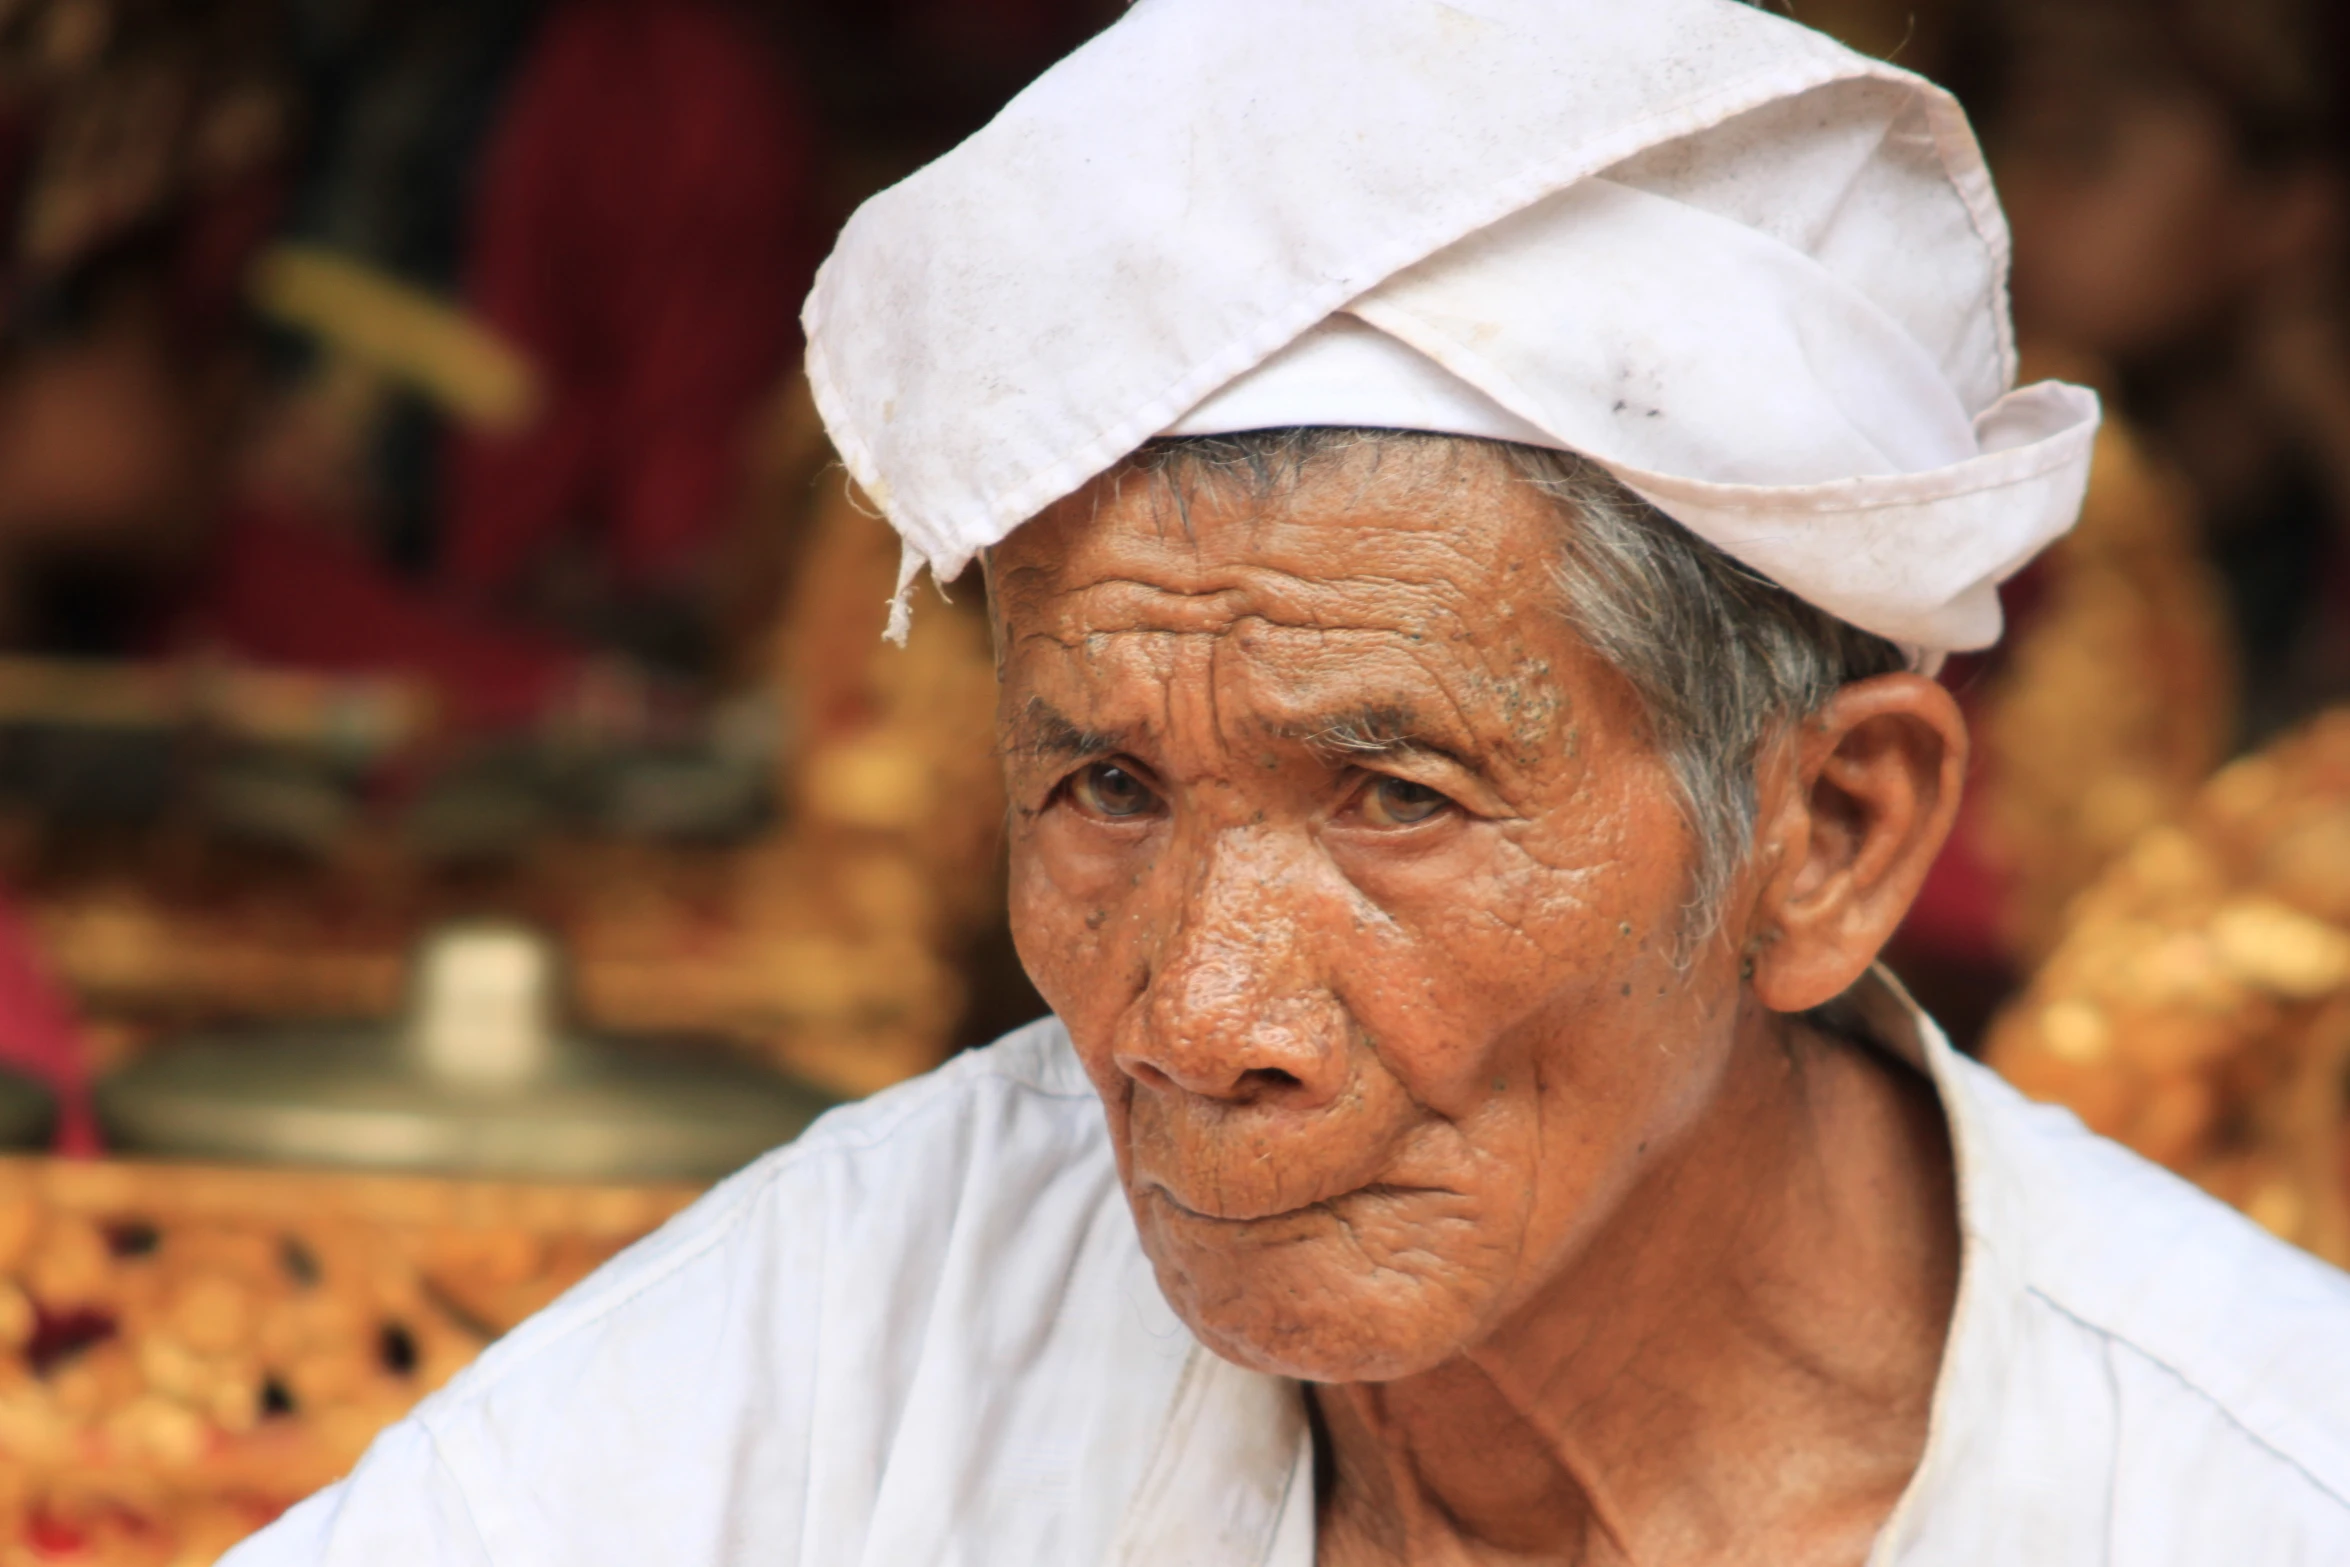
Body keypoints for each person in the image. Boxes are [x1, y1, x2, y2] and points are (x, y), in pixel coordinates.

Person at [225, 2, 2350, 1562]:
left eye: (1393, 799)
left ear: (1824, 837)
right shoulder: (878, 1308)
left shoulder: (2236, 1491)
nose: (1188, 1018)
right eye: (1104, 791)